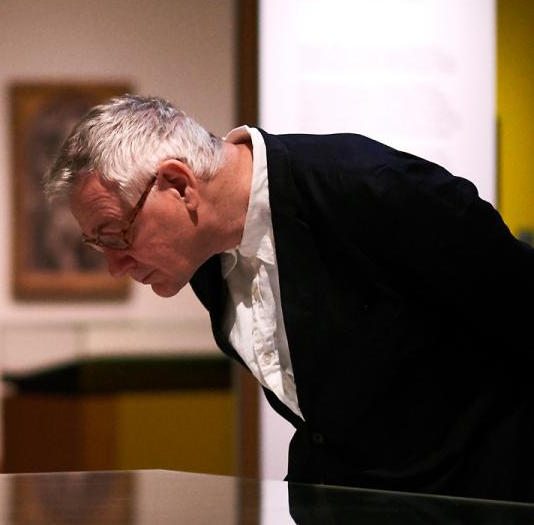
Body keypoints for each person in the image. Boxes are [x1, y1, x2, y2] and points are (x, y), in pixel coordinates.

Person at [44, 94, 534, 503]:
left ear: (178, 185)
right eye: (99, 244)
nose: (115, 265)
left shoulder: (370, 188)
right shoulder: (203, 254)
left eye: (116, 234)